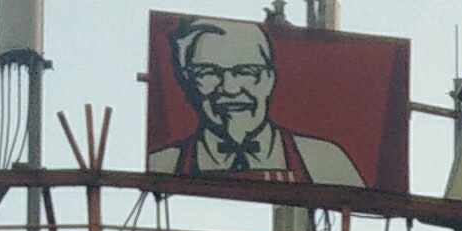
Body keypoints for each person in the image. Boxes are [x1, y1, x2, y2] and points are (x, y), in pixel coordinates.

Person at [149, 17, 365, 187]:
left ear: (269, 80)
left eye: (246, 72)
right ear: (188, 83)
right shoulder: (164, 164)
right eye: (208, 73)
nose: (230, 89)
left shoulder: (323, 161)